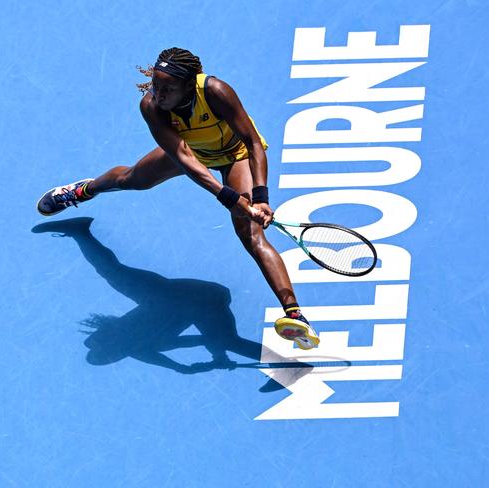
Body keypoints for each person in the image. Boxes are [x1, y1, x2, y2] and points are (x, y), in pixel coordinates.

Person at [36, 47, 319, 350]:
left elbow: (252, 143)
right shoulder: (151, 106)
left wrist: (260, 197)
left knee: (251, 235)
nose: (159, 93)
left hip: (236, 155)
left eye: (168, 88)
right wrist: (228, 197)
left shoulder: (216, 91)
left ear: (189, 85)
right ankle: (84, 190)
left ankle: (295, 315)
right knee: (132, 180)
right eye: (156, 85)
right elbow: (184, 158)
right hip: (193, 152)